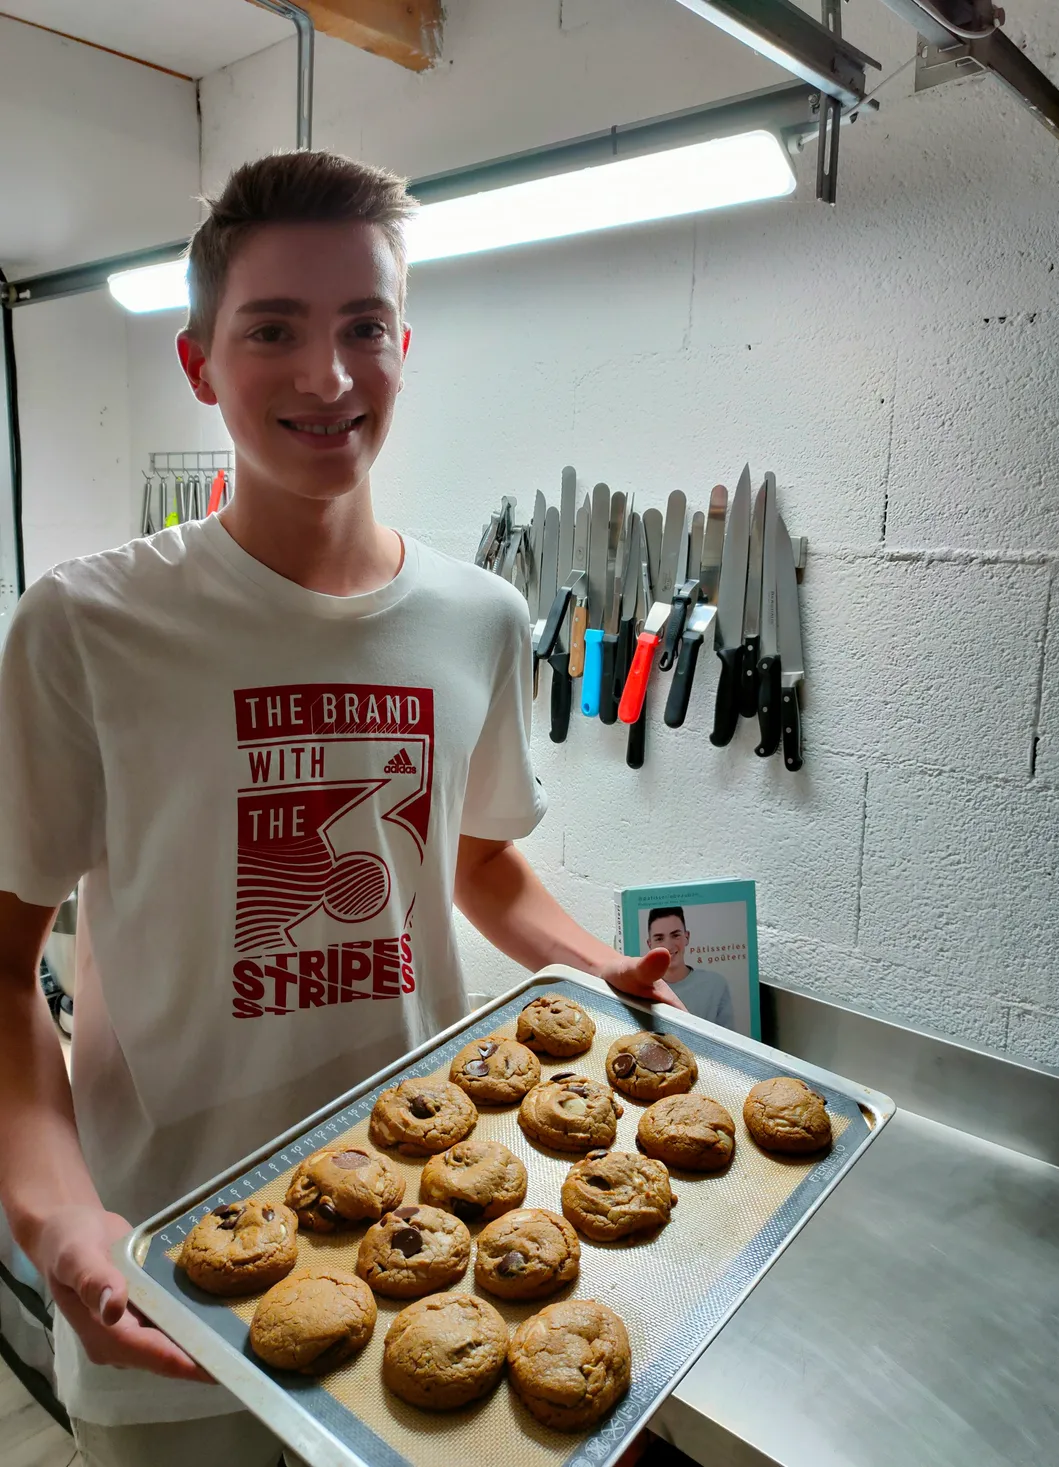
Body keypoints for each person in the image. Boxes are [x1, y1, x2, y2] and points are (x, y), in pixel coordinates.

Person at [0, 151, 678, 1467]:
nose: (328, 375)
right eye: (273, 330)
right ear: (201, 363)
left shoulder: (480, 616)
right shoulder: (83, 627)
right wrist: (50, 1208)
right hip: (164, 1274)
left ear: (404, 347)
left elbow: (480, 867)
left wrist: (603, 968)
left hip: (431, 1242)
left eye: (363, 326)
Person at [645, 907, 734, 1029]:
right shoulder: (643, 987)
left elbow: (728, 1041)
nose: (669, 946)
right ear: (650, 944)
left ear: (687, 937)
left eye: (675, 935)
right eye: (659, 939)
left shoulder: (716, 985)